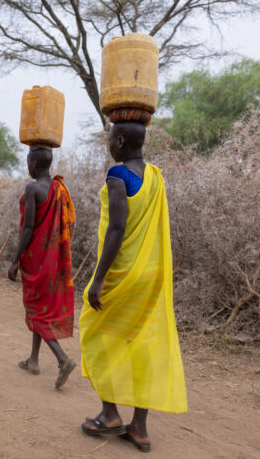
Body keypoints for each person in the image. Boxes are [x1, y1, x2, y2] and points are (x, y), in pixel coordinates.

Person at [79, 120, 188, 452]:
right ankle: (139, 427)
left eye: (110, 137)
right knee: (144, 345)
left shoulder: (118, 175)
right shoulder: (156, 176)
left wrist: (97, 280)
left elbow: (116, 229)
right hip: (152, 275)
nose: (108, 143)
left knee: (95, 330)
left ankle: (110, 413)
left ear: (121, 140)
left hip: (121, 273)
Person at [8, 146, 77, 389]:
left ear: (35, 164)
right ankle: (34, 360)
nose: (27, 167)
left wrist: (15, 259)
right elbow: (70, 221)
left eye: (28, 163)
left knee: (36, 312)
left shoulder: (33, 188)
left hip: (36, 259)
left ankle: (62, 358)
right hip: (53, 259)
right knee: (41, 308)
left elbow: (27, 228)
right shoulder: (59, 189)